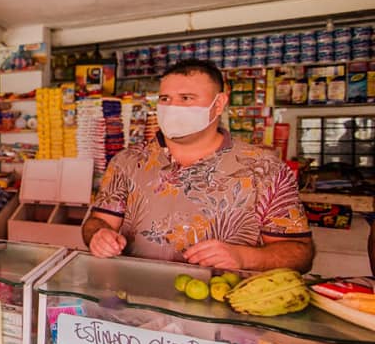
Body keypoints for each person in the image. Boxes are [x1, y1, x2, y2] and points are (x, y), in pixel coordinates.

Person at [82, 59, 314, 273]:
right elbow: (98, 221)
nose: (172, 107)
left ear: (219, 103)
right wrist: (98, 234)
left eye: (186, 98)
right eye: (165, 99)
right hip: (131, 299)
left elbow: (300, 253)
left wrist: (245, 258)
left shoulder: (266, 169)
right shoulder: (127, 162)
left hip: (222, 304)